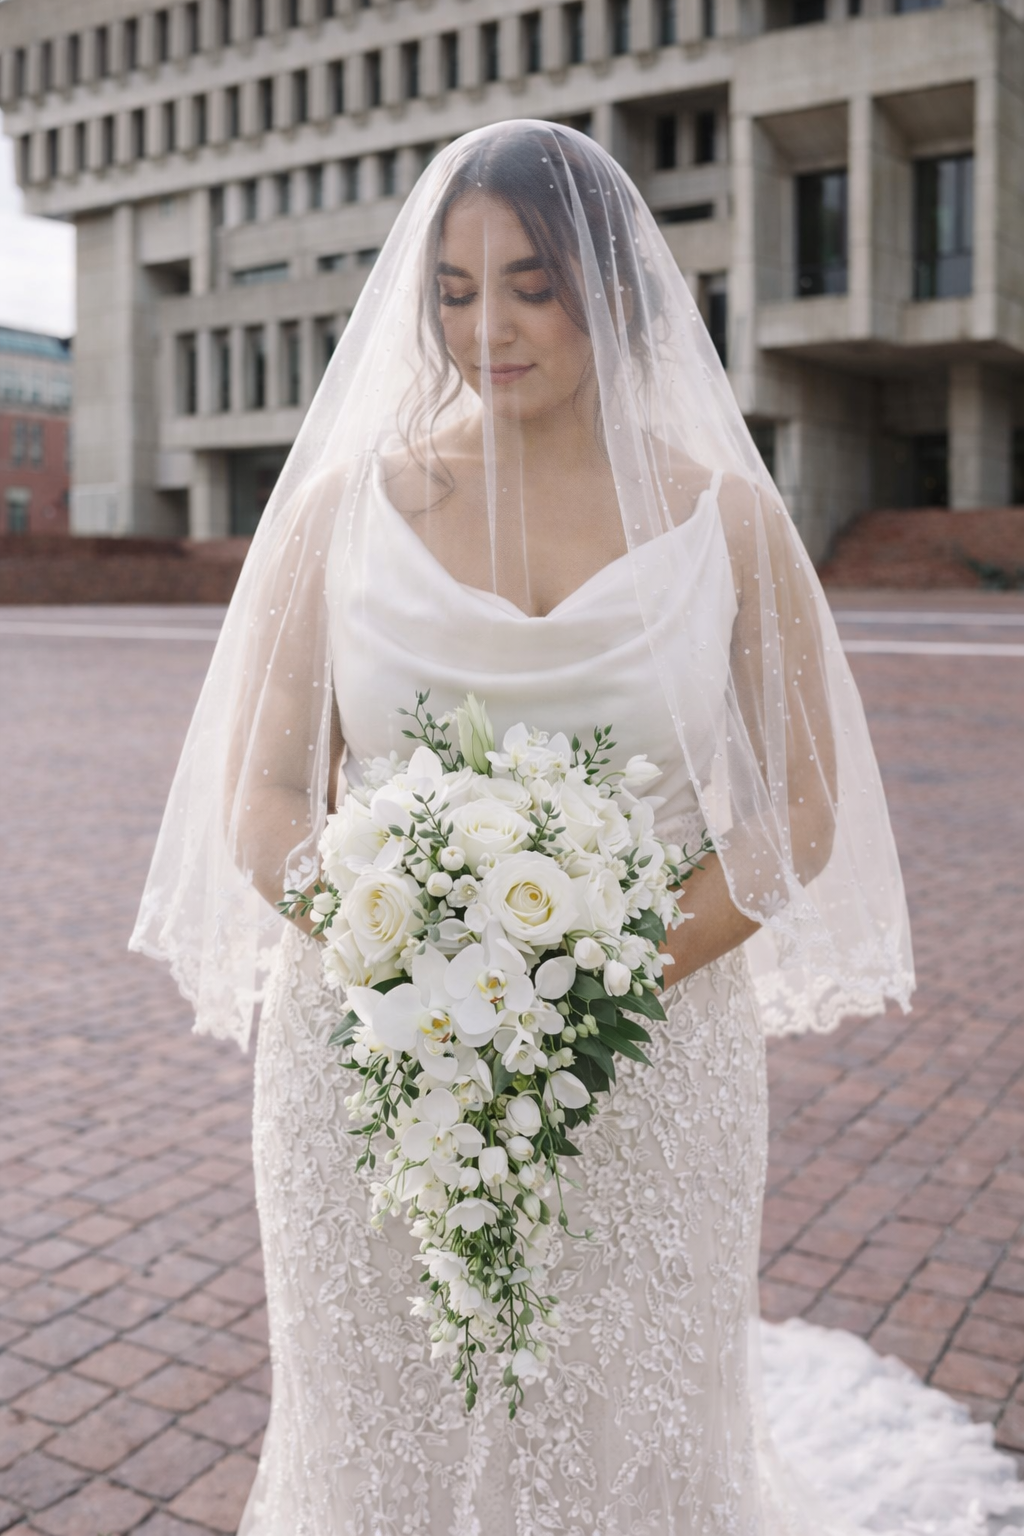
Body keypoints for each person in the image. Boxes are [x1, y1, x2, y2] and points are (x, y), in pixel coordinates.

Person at [131, 122, 1021, 1535]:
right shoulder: (338, 516)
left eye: (533, 284)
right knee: (384, 1417)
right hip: (372, 1056)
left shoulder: (724, 523)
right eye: (458, 290)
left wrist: (593, 981)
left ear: (614, 290)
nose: (491, 326)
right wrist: (405, 959)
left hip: (650, 1056)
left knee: (626, 1417)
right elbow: (268, 796)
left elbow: (797, 813)